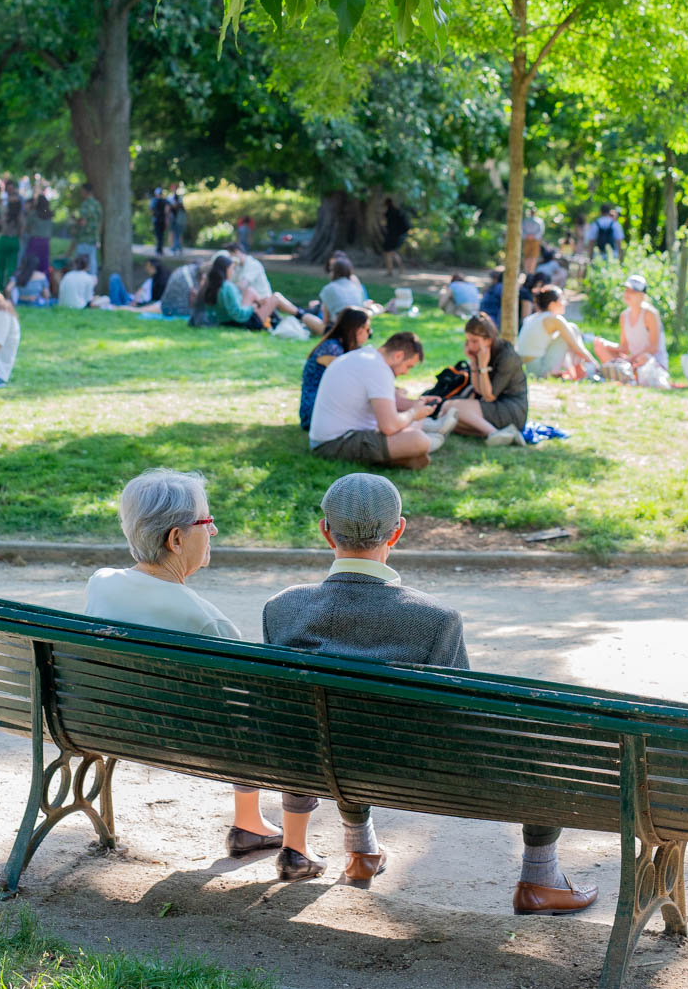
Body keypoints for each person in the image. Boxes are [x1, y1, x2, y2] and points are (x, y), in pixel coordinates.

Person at [261, 473, 598, 913]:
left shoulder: (281, 608)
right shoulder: (436, 620)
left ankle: (361, 851)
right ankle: (540, 877)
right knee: (542, 741)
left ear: (326, 532)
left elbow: (289, 713)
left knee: (332, 721)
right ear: (397, 531)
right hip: (419, 774)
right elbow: (462, 724)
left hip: (325, 762)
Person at [85, 470, 294, 858]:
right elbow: (246, 710)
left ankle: (250, 822)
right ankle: (251, 820)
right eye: (206, 522)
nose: (213, 531)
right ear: (176, 539)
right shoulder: (207, 622)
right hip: (183, 740)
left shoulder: (101, 582)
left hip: (101, 724)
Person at [308, 330, 439, 469]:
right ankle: (416, 445)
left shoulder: (368, 357)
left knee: (414, 426)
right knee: (419, 440)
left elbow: (389, 400)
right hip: (333, 443)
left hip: (331, 438)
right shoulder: (379, 369)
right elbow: (389, 427)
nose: (406, 372)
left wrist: (417, 404)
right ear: (398, 355)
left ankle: (408, 452)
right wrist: (413, 413)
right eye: (408, 366)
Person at [447, 311, 529, 446]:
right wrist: (474, 362)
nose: (470, 346)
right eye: (468, 341)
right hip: (493, 405)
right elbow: (479, 390)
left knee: (454, 408)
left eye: (474, 341)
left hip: (512, 410)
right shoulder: (481, 353)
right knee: (449, 415)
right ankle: (502, 434)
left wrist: (483, 367)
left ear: (488, 340)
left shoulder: (507, 356)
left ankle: (496, 433)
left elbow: (489, 396)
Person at [192, 253, 310, 332]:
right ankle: (300, 314)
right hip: (244, 323)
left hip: (227, 321)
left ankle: (275, 314)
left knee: (250, 291)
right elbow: (238, 314)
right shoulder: (227, 287)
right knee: (276, 298)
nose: (233, 272)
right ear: (225, 270)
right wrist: (252, 307)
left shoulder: (211, 285)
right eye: (232, 269)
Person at [299, 307, 371, 430]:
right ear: (356, 329)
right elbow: (346, 381)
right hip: (315, 413)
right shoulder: (331, 348)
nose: (369, 333)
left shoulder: (347, 348)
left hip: (328, 408)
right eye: (367, 329)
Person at [592, 273, 669, 386]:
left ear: (642, 295)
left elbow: (654, 347)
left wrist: (631, 359)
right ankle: (626, 375)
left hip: (651, 362)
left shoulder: (650, 314)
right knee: (599, 347)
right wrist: (604, 344)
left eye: (633, 291)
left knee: (643, 358)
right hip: (633, 362)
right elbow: (624, 348)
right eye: (627, 290)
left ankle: (626, 375)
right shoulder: (624, 316)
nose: (628, 294)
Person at [516, 285, 596, 380]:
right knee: (572, 329)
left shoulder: (532, 318)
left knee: (569, 330)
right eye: (561, 300)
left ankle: (574, 372)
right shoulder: (554, 319)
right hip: (538, 370)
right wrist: (596, 365)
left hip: (524, 368)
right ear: (552, 304)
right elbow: (576, 347)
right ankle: (583, 372)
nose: (565, 303)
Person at [319, 254, 369, 325]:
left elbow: (325, 320)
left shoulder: (329, 288)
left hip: (340, 327)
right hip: (358, 324)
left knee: (307, 317)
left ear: (334, 272)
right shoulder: (354, 286)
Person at [19, 193, 54, 286]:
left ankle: (30, 285)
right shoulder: (49, 215)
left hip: (35, 241)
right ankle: (45, 286)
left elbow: (27, 227)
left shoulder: (33, 214)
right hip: (45, 242)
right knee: (44, 265)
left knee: (31, 264)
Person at [0, 183, 24, 292]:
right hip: (15, 240)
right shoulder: (20, 215)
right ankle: (9, 289)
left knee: (0, 266)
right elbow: (22, 228)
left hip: (4, 239)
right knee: (12, 267)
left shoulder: (4, 211)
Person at [75, 187, 102, 279]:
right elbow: (100, 222)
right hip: (94, 238)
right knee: (92, 262)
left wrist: (75, 221)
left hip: (84, 238)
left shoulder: (85, 205)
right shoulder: (97, 204)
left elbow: (83, 222)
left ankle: (79, 281)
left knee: (80, 262)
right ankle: (92, 282)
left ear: (86, 192)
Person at [381, 198, 410, 277]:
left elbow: (386, 224)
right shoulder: (397, 211)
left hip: (392, 235)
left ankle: (390, 271)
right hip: (397, 235)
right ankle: (400, 268)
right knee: (392, 252)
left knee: (388, 252)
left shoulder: (389, 212)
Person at [521, 205, 545, 275]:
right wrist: (533, 236)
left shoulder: (526, 220)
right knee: (532, 256)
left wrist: (528, 236)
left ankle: (527, 271)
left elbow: (522, 230)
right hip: (534, 240)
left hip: (528, 239)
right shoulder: (539, 221)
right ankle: (530, 271)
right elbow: (541, 231)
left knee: (528, 256)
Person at [150, 186, 168, 254]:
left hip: (159, 220)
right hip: (158, 220)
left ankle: (159, 249)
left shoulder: (157, 200)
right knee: (159, 236)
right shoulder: (161, 200)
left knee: (160, 236)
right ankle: (159, 249)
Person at [168, 187, 187, 254]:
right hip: (173, 219)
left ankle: (177, 248)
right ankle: (175, 248)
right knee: (174, 234)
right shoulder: (170, 198)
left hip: (178, 220)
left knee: (178, 235)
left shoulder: (179, 199)